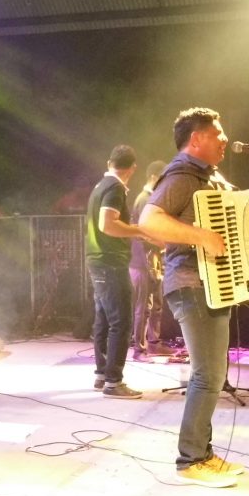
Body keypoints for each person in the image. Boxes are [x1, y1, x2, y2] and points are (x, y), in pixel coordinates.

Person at [139, 107, 249, 488]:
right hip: (190, 284)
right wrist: (203, 238)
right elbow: (149, 221)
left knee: (212, 374)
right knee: (208, 375)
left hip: (210, 284)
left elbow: (231, 226)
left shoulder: (210, 178)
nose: (225, 139)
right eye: (217, 133)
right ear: (196, 139)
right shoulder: (181, 176)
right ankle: (190, 458)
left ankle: (202, 453)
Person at [86, 145, 151, 398]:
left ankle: (102, 374)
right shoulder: (114, 188)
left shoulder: (100, 186)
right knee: (121, 322)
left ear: (109, 162)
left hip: (97, 261)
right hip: (110, 262)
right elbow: (108, 225)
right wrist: (140, 230)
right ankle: (114, 381)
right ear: (132, 169)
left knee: (103, 319)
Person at [129, 161, 173, 361]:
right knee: (143, 307)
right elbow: (140, 231)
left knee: (156, 304)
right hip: (141, 261)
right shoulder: (143, 199)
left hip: (154, 260)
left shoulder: (152, 199)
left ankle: (154, 344)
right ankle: (139, 349)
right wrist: (162, 242)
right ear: (154, 177)